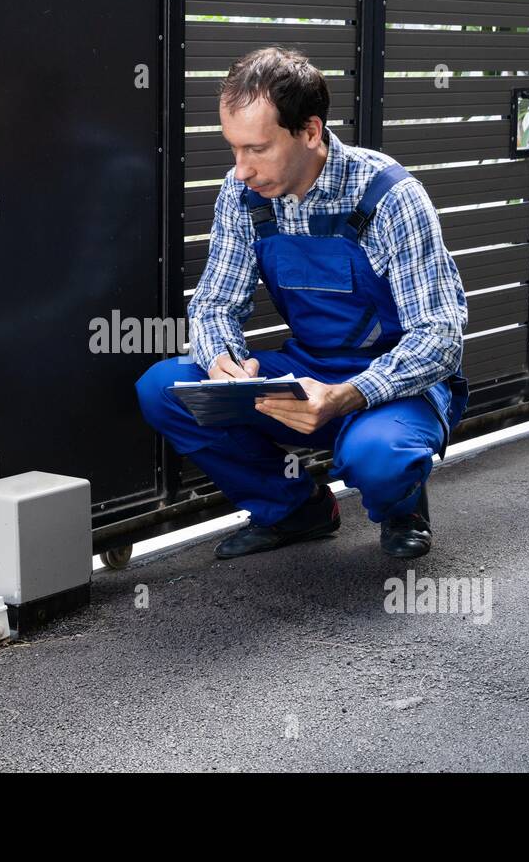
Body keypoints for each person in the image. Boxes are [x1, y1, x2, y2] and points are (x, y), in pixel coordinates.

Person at [135, 47, 470, 560]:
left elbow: (441, 337)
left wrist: (348, 395)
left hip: (396, 384)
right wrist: (224, 362)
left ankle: (401, 506)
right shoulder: (243, 194)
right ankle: (295, 510)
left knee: (379, 457)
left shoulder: (390, 196)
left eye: (257, 149)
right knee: (164, 388)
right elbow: (214, 304)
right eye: (233, 149)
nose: (241, 169)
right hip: (307, 370)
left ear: (310, 131)